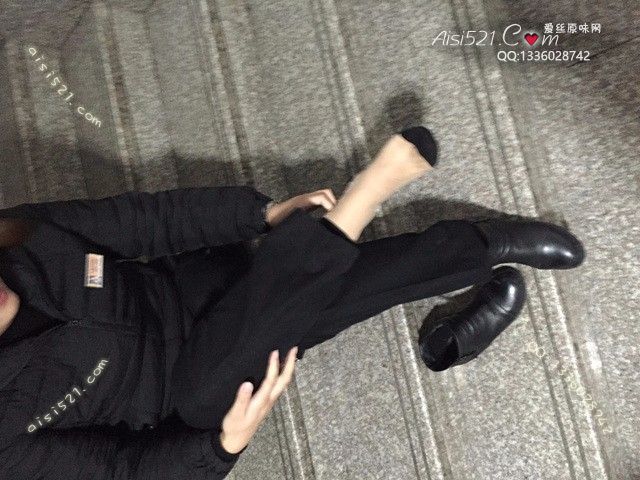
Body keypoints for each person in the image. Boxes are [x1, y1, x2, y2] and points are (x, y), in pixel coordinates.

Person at [0, 127, 584, 479]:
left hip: (191, 288)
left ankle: (445, 310)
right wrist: (221, 448)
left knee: (284, 311)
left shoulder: (12, 236)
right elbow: (124, 472)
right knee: (218, 381)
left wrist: (261, 215)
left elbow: (146, 222)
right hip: (196, 388)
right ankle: (465, 241)